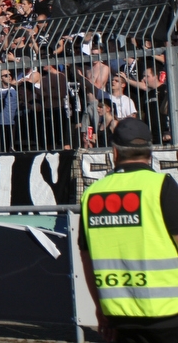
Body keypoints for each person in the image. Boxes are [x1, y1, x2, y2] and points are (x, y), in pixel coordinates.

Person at [80, 118, 178, 342]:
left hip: (119, 315)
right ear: (150, 152)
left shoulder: (92, 194)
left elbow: (87, 258)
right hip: (169, 314)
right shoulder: (162, 186)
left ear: (114, 153)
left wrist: (100, 309)